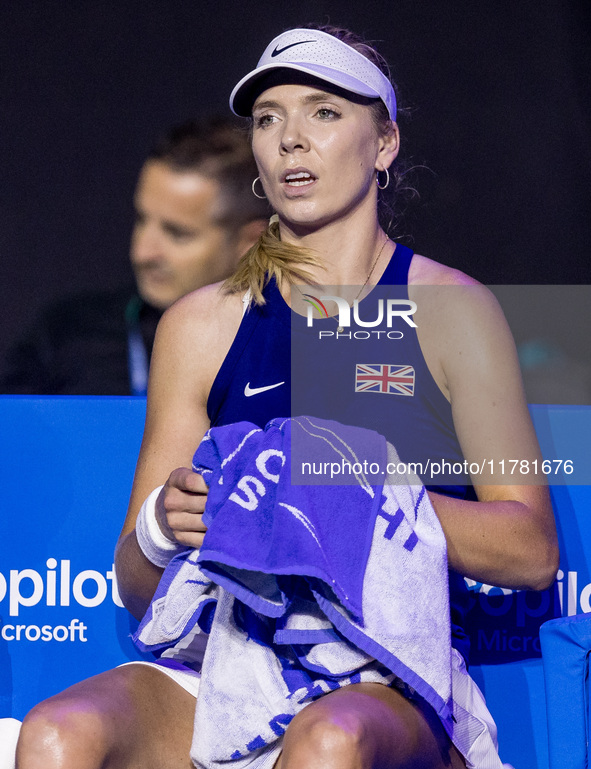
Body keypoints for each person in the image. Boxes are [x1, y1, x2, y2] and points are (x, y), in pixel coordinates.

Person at [15, 25, 559, 769]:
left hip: (392, 673)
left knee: (328, 741)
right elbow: (137, 585)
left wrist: (357, 497)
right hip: (230, 664)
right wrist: (161, 527)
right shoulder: (202, 323)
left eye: (323, 113)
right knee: (55, 734)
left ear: (384, 143)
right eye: (269, 119)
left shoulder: (450, 310)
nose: (290, 140)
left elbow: (530, 551)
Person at [0, 117, 268, 395]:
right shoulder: (63, 336)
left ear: (250, 242)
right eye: (141, 220)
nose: (143, 253)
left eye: (177, 234)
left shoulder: (290, 347)